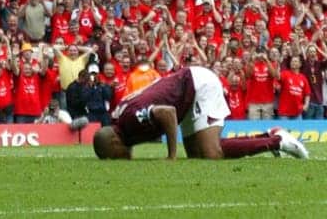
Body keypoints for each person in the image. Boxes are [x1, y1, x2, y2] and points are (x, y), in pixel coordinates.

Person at [92, 66, 308, 160]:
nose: (118, 159)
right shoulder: (118, 118)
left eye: (113, 156)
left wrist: (172, 155)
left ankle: (279, 141)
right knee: (199, 155)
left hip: (197, 85)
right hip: (183, 96)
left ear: (114, 143)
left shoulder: (129, 120)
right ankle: (270, 134)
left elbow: (167, 113)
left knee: (212, 153)